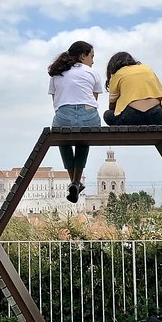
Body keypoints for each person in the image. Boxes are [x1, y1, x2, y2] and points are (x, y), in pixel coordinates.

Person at [48, 40, 103, 203]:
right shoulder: (91, 72)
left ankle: (74, 182)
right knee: (83, 140)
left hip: (64, 115)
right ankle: (76, 182)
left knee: (62, 139)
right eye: (91, 56)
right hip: (89, 116)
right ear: (83, 55)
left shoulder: (57, 73)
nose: (93, 61)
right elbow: (93, 99)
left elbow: (55, 102)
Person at [103, 51, 162, 126]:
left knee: (108, 115)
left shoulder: (116, 74)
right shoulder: (147, 69)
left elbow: (112, 107)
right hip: (156, 115)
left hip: (131, 117)